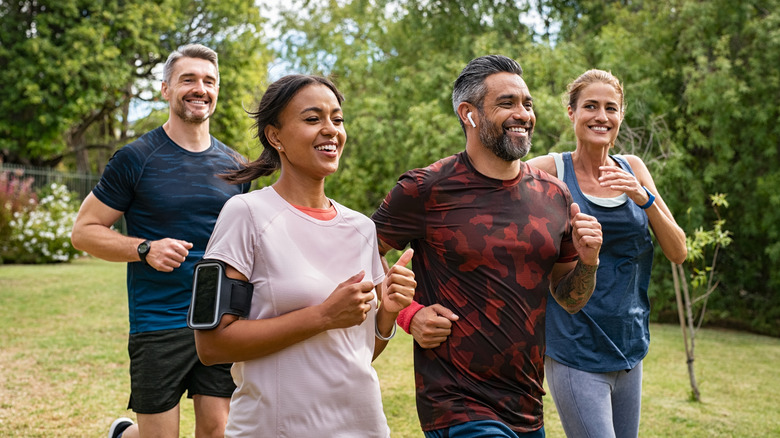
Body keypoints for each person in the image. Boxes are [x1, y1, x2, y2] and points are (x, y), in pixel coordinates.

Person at [371, 54, 603, 437]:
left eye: (527, 104)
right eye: (507, 103)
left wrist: (589, 261)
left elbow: (570, 299)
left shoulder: (555, 195)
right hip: (456, 402)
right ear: (469, 114)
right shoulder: (425, 188)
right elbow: (358, 253)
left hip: (527, 405)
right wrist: (409, 314)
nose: (523, 114)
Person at [192, 74, 417, 437]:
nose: (331, 130)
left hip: (363, 427)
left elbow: (355, 352)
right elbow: (212, 345)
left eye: (337, 119)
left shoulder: (362, 228)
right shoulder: (245, 214)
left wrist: (387, 314)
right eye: (313, 119)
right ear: (275, 136)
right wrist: (323, 315)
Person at [71, 44, 250, 438]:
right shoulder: (135, 158)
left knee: (217, 430)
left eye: (209, 81)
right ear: (166, 89)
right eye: (188, 79)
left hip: (219, 317)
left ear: (217, 91)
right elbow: (83, 231)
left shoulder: (237, 167)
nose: (199, 88)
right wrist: (144, 249)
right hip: (158, 320)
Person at [526, 69, 687, 438]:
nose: (601, 116)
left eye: (610, 108)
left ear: (620, 116)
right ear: (571, 112)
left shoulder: (635, 169)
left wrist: (643, 198)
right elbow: (492, 190)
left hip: (630, 347)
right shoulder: (549, 171)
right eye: (590, 106)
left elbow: (678, 250)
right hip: (575, 349)